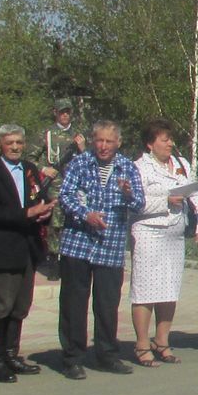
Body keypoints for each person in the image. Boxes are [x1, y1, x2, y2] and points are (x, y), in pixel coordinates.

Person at [56, 121, 145, 379]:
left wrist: (128, 194)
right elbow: (66, 195)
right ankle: (72, 357)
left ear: (118, 143)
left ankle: (106, 354)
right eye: (99, 140)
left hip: (110, 245)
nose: (103, 146)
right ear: (93, 141)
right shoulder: (80, 163)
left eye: (109, 141)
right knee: (74, 302)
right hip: (78, 243)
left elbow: (139, 203)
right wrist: (86, 215)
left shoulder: (127, 167)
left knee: (107, 304)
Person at [0, 124, 57, 382]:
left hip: (28, 248)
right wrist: (26, 214)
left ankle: (11, 354)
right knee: (0, 305)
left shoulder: (31, 171)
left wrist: (44, 212)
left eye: (19, 142)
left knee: (20, 306)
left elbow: (37, 201)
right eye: (9, 142)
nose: (15, 147)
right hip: (4, 248)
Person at [129, 120, 198, 365]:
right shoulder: (139, 167)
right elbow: (136, 204)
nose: (170, 144)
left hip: (174, 233)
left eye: (171, 139)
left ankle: (162, 340)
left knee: (169, 289)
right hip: (148, 232)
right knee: (145, 290)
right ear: (150, 144)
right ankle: (142, 344)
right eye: (164, 140)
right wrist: (165, 200)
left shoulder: (181, 164)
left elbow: (194, 193)